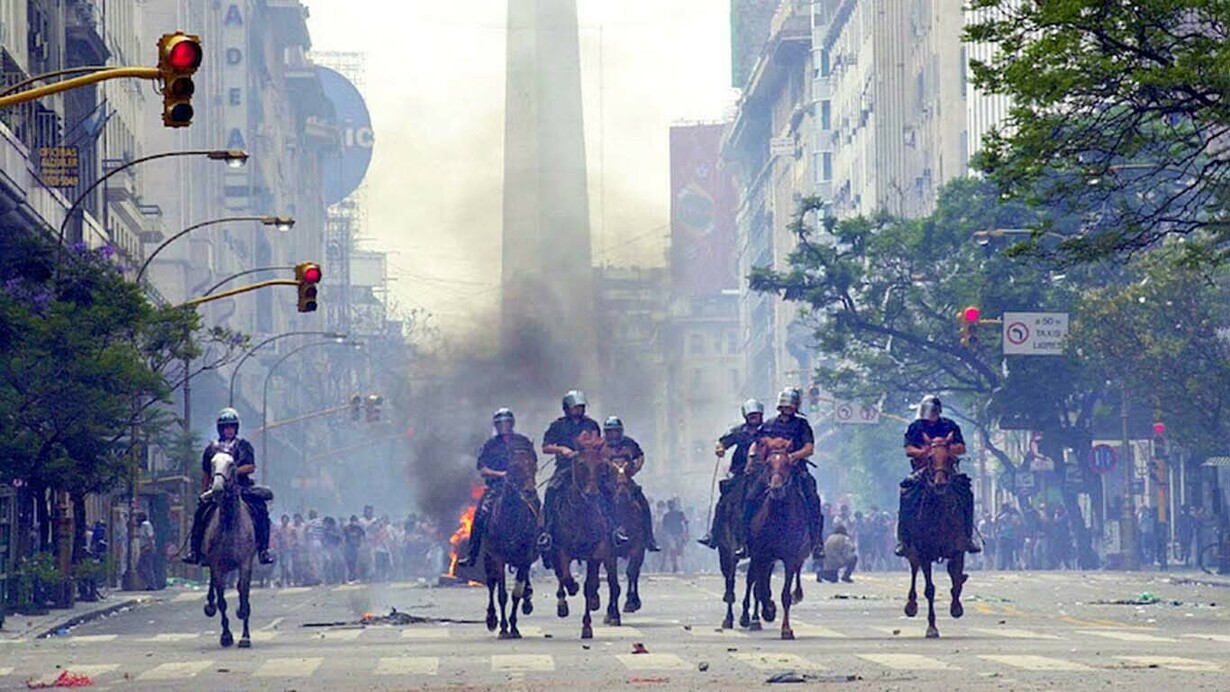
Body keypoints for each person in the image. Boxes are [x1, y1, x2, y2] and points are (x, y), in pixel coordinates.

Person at [541, 390, 629, 565]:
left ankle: (615, 528)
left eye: (581, 406)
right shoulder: (557, 426)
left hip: (591, 467)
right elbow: (546, 447)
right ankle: (547, 532)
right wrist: (562, 450)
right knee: (551, 491)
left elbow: (599, 444)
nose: (579, 409)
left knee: (608, 491)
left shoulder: (591, 424)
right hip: (567, 468)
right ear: (567, 408)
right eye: (575, 407)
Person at [183, 408, 275, 565]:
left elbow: (250, 467)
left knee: (260, 510)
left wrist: (231, 471)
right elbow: (206, 473)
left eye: (231, 427)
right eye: (225, 427)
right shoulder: (211, 448)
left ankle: (263, 550)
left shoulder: (243, 446)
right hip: (217, 489)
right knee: (200, 515)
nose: (228, 430)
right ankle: (195, 551)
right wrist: (204, 493)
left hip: (241, 488)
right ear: (220, 429)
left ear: (236, 428)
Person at [744, 389, 825, 561]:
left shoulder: (802, 425)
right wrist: (752, 459)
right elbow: (756, 444)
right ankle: (744, 541)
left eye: (791, 406)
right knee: (750, 499)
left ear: (796, 406)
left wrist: (794, 456)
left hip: (795, 470)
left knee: (813, 500)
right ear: (780, 406)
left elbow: (809, 448)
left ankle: (817, 542)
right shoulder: (769, 424)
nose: (788, 408)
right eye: (785, 405)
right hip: (771, 470)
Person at [458, 408, 545, 567]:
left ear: (512, 424)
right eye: (500, 424)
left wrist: (525, 476)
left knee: (538, 508)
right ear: (496, 426)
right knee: (480, 513)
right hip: (497, 487)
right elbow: (482, 469)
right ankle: (472, 553)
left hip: (521, 487)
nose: (503, 426)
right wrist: (501, 474)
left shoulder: (523, 442)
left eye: (506, 423)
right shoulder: (490, 445)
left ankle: (543, 547)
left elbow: (532, 463)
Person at [896, 395, 981, 556]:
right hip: (922, 469)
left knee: (966, 493)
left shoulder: (950, 425)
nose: (932, 413)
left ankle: (967, 537)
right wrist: (925, 451)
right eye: (929, 410)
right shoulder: (915, 427)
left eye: (935, 410)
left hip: (947, 469)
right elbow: (909, 450)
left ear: (939, 410)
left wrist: (944, 448)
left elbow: (961, 447)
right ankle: (904, 539)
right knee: (906, 494)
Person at [698, 399, 764, 550]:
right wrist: (720, 449)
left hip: (765, 473)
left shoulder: (768, 430)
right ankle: (713, 534)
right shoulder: (738, 431)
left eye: (757, 415)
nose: (754, 417)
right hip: (741, 473)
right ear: (746, 416)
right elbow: (722, 442)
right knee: (724, 501)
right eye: (751, 415)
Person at [601, 416, 660, 552]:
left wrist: (635, 468)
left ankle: (649, 538)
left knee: (643, 503)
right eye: (610, 432)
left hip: (626, 481)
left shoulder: (629, 443)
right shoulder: (601, 445)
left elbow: (640, 456)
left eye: (616, 431)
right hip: (607, 483)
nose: (613, 434)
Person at [137, 512, 156, 590]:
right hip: (143, 548)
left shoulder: (146, 524)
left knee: (147, 567)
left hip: (147, 548)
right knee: (141, 567)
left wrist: (150, 547)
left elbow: (150, 537)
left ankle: (151, 585)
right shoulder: (142, 526)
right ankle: (148, 584)